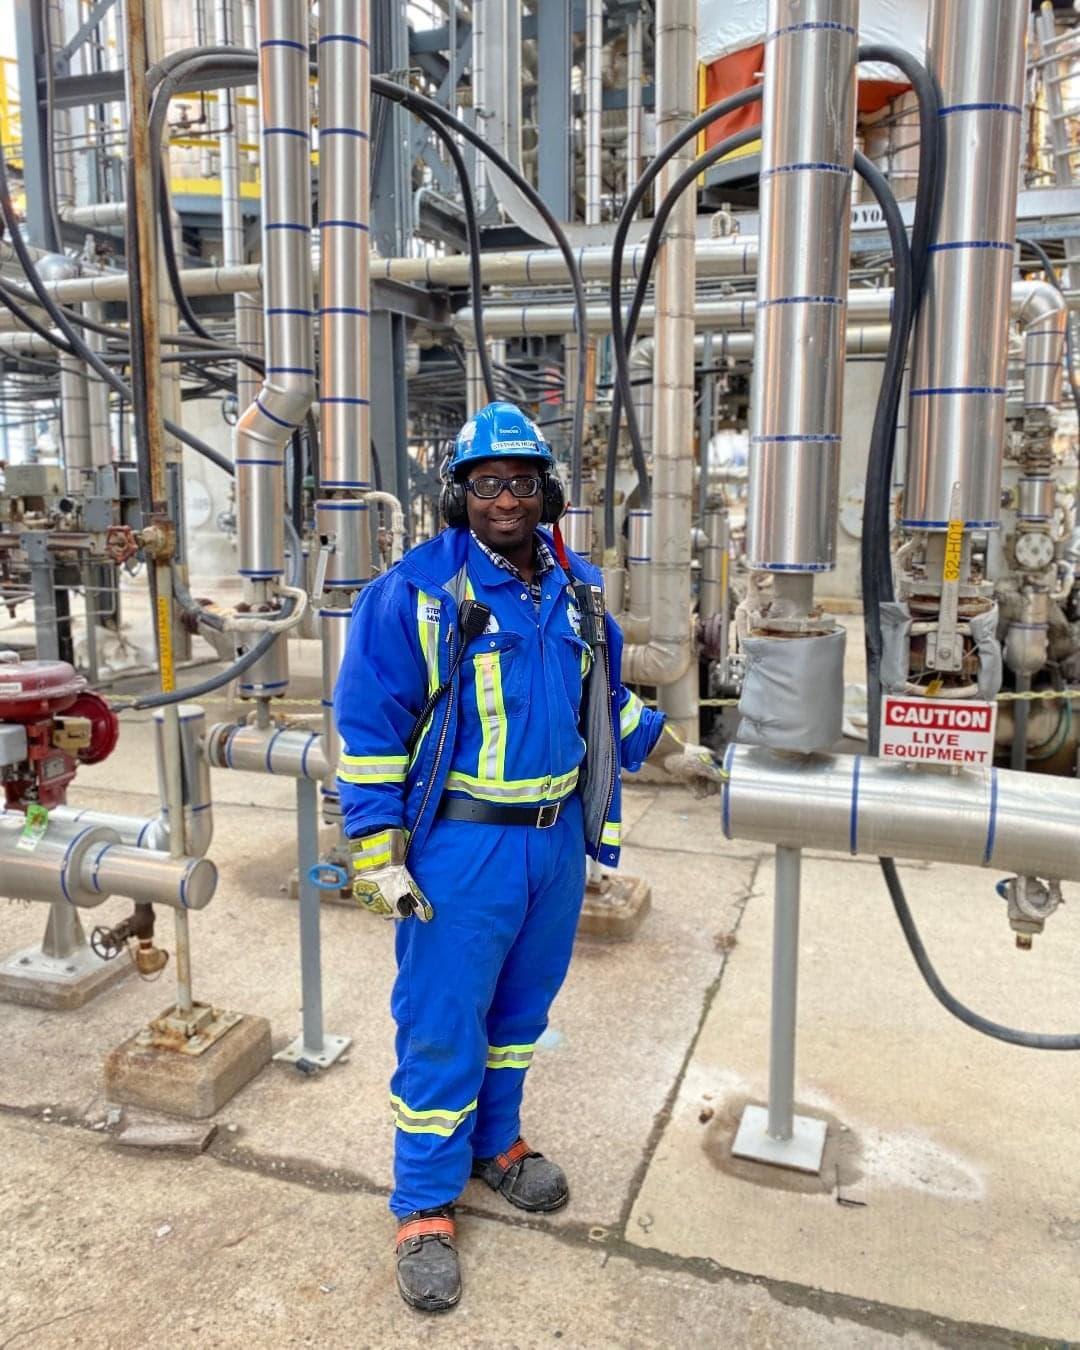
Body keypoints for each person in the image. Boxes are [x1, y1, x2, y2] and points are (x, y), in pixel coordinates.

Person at [333, 401, 724, 1312]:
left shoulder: (574, 587)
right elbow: (370, 732)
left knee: (519, 1016)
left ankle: (493, 1143)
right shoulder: (417, 592)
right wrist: (374, 852)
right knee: (442, 1023)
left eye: (519, 483)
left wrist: (671, 748)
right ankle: (425, 1203)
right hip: (461, 851)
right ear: (458, 494)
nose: (504, 499)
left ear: (546, 492)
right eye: (485, 483)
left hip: (553, 849)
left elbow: (600, 706)